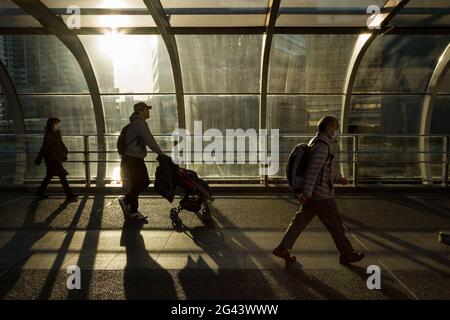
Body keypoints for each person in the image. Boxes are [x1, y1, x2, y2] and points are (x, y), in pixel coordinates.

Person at [273, 116, 365, 265]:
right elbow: (313, 172)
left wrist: (338, 178)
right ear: (328, 128)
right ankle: (347, 254)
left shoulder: (316, 143)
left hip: (313, 195)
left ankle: (283, 248)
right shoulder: (322, 146)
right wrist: (306, 194)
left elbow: (325, 169)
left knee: (300, 222)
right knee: (336, 224)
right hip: (321, 196)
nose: (337, 130)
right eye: (335, 127)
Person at [119, 102, 169, 221]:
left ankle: (130, 206)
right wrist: (161, 154)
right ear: (140, 111)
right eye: (146, 109)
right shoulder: (139, 123)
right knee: (142, 182)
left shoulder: (136, 123)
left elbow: (147, 140)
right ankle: (130, 206)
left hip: (133, 158)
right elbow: (149, 140)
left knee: (139, 183)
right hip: (133, 159)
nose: (148, 112)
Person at [34, 117, 77, 201]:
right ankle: (69, 194)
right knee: (62, 175)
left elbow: (59, 144)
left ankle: (40, 191)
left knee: (49, 176)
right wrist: (61, 154)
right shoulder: (50, 135)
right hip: (52, 159)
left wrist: (64, 151)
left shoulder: (54, 134)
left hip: (54, 159)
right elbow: (46, 148)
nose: (59, 125)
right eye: (57, 124)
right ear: (52, 125)